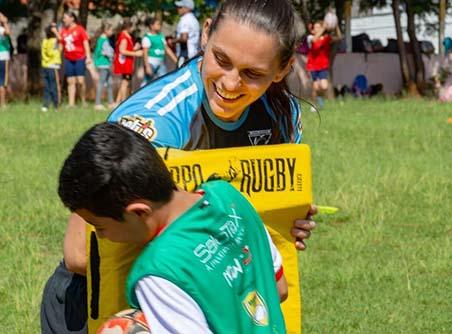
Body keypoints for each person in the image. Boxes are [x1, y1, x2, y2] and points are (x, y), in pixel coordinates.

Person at [41, 0, 317, 331]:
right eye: (222, 60)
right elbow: (78, 254)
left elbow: (259, 229)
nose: (230, 84)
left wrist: (284, 224)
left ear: (283, 69)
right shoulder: (150, 122)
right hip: (101, 304)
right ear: (205, 36)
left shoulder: (283, 117)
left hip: (212, 300)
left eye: (253, 74)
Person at [58, 122, 288, 333]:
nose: (101, 236)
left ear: (138, 212)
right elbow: (279, 289)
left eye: (99, 227)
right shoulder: (229, 197)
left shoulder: (157, 274)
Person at [306, 20, 342, 110]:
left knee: (324, 86)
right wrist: (324, 27)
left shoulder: (326, 38)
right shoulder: (310, 37)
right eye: (316, 27)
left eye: (319, 27)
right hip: (313, 66)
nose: (317, 29)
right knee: (315, 87)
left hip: (323, 66)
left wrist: (336, 26)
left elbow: (339, 37)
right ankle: (313, 105)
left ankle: (319, 98)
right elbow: (315, 40)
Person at [59, 11, 92, 108]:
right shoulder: (63, 31)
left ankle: (83, 100)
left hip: (80, 58)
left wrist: (88, 56)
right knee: (70, 81)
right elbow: (61, 45)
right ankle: (71, 103)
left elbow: (85, 43)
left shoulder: (80, 29)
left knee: (80, 81)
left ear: (72, 18)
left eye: (65, 17)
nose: (63, 20)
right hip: (68, 59)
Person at [113, 18, 143, 105]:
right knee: (125, 82)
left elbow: (126, 48)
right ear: (128, 27)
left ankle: (117, 102)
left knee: (124, 82)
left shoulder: (126, 36)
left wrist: (134, 48)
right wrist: (135, 53)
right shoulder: (124, 37)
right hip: (125, 62)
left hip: (127, 61)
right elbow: (122, 50)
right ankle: (123, 102)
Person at [141, 17, 178, 85]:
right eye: (157, 24)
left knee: (164, 82)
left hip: (161, 63)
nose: (159, 26)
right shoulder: (147, 38)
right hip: (151, 64)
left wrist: (176, 61)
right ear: (152, 26)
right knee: (147, 84)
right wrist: (147, 66)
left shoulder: (161, 36)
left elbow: (166, 49)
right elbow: (145, 53)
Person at [92, 22, 115, 111]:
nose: (112, 32)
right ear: (106, 30)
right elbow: (108, 52)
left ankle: (111, 102)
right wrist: (113, 55)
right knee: (101, 83)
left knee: (110, 83)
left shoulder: (102, 39)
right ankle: (97, 103)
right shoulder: (104, 40)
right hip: (103, 64)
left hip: (106, 64)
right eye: (111, 30)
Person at [171, 0, 200, 67]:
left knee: (180, 76)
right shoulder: (195, 20)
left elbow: (184, 38)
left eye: (180, 7)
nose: (177, 9)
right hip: (194, 54)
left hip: (185, 56)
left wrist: (172, 41)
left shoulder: (184, 19)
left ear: (187, 8)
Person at [41, 23, 62, 112]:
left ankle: (51, 105)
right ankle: (51, 104)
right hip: (49, 65)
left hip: (49, 65)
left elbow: (60, 39)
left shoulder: (50, 40)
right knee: (50, 86)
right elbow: (61, 39)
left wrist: (54, 31)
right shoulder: (50, 40)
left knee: (51, 86)